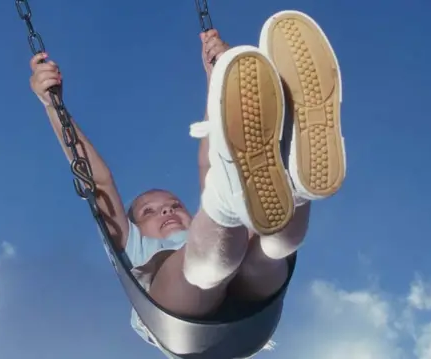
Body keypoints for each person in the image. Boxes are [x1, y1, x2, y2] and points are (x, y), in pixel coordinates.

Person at [29, 9, 345, 357]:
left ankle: (298, 187)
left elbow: (208, 160)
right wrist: (51, 106)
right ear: (134, 226)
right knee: (208, 260)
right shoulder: (133, 246)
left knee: (269, 246)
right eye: (148, 211)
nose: (166, 209)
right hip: (179, 318)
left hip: (250, 298)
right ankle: (248, 194)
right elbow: (99, 182)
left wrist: (219, 80)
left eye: (175, 205)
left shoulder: (204, 230)